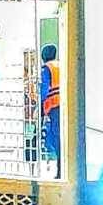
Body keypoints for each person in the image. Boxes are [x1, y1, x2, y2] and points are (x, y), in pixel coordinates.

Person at [40, 44, 61, 179]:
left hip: (54, 106)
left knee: (56, 139)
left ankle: (60, 171)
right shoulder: (60, 66)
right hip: (64, 105)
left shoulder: (46, 69)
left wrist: (39, 107)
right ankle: (61, 170)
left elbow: (44, 90)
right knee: (61, 139)